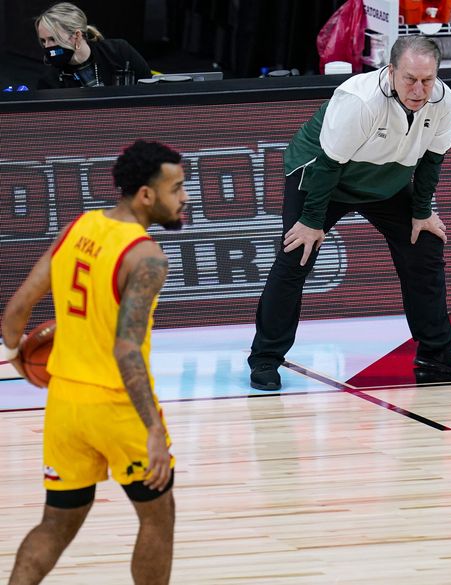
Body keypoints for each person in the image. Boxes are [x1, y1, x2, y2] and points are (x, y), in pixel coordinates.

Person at [0, 140, 186, 585]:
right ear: (146, 195)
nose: (184, 198)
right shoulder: (146, 257)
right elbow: (126, 349)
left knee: (56, 525)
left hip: (65, 403)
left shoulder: (78, 227)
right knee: (158, 521)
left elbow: (15, 313)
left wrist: (17, 358)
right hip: (118, 406)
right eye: (176, 188)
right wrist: (154, 429)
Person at [248, 35, 451, 390]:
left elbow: (432, 161)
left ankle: (435, 350)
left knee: (425, 244)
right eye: (410, 79)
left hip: (385, 178)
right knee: (297, 254)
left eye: (427, 80)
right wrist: (310, 221)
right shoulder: (361, 100)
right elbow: (328, 164)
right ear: (390, 71)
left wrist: (422, 211)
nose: (419, 89)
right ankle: (265, 357)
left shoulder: (444, 102)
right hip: (324, 174)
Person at [35, 2, 151, 89]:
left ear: (77, 35)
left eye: (53, 39)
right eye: (43, 41)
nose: (47, 47)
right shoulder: (49, 81)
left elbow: (151, 88)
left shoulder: (119, 51)